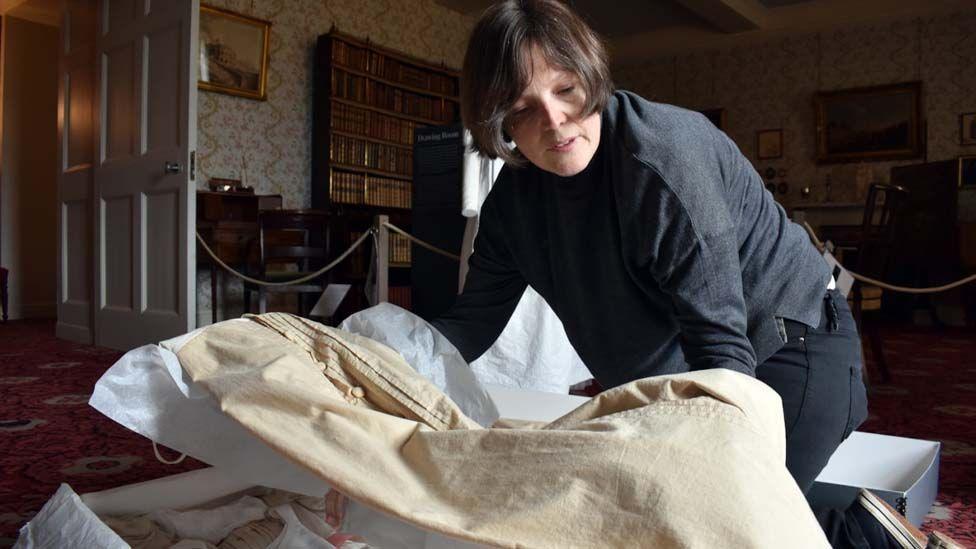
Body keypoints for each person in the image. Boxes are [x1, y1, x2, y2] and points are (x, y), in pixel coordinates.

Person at [428, 1, 908, 547]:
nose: (554, 121)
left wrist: (711, 478)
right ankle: (839, 518)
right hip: (680, 374)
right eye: (521, 108)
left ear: (591, 74)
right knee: (637, 511)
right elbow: (468, 325)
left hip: (788, 351)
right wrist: (375, 364)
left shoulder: (663, 159)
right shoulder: (512, 206)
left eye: (565, 90)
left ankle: (867, 534)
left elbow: (722, 350)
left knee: (718, 519)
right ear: (497, 122)